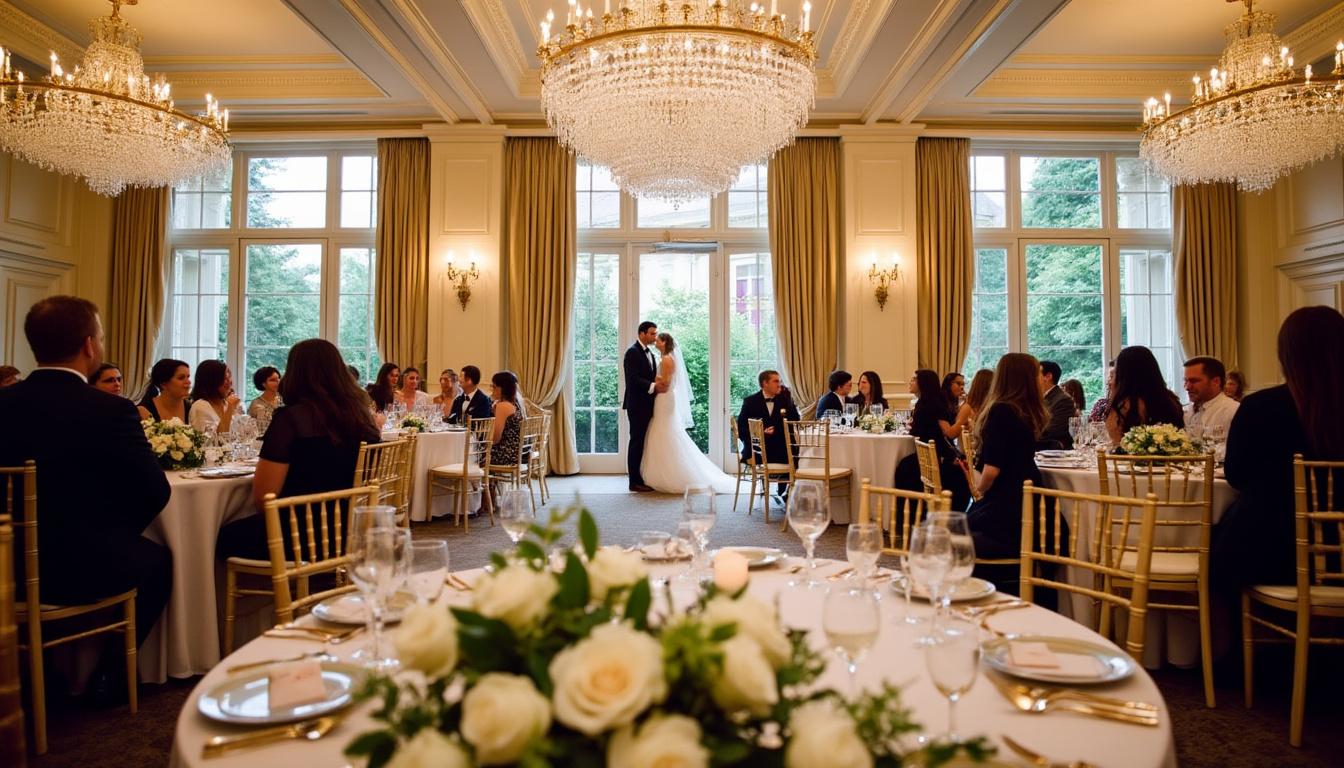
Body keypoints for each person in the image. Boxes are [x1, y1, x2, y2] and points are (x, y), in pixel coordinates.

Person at [0, 297, 171, 659]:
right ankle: (108, 674)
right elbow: (155, 490)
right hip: (78, 565)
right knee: (159, 562)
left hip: (5, 564)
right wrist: (112, 531)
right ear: (89, 345)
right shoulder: (111, 411)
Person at [1212, 306, 1344, 593]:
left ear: (1285, 355)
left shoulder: (1261, 406)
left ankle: (1235, 638)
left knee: (1214, 555)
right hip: (1338, 552)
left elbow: (1235, 474)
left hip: (1273, 550)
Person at [216, 339, 382, 560]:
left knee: (216, 535)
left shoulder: (290, 419)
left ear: (295, 373)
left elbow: (264, 499)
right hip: (350, 529)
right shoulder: (362, 418)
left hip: (299, 536)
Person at [966, 352, 1047, 562]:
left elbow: (991, 472)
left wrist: (978, 487)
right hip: (1024, 502)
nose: (1041, 378)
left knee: (948, 532)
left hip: (1009, 511)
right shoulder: (1023, 411)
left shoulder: (1002, 411)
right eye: (1037, 373)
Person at [638, 332, 736, 494]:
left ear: (664, 343)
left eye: (658, 340)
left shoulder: (667, 359)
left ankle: (671, 473)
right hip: (663, 398)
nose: (655, 342)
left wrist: (652, 381)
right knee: (662, 430)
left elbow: (666, 383)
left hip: (664, 397)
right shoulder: (666, 358)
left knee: (663, 431)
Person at [895, 369, 970, 509]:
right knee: (904, 465)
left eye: (914, 379)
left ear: (923, 383)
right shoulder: (925, 403)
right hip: (933, 454)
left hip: (934, 457)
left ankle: (908, 513)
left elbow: (943, 435)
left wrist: (952, 456)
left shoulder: (932, 405)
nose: (911, 382)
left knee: (903, 467)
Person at [622, 322, 668, 492]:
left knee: (642, 442)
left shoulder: (651, 354)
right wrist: (654, 386)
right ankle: (634, 482)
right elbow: (632, 380)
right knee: (636, 441)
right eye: (652, 334)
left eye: (655, 334)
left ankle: (640, 477)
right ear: (641, 334)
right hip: (637, 405)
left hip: (647, 404)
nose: (655, 337)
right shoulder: (632, 353)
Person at [1105, 346, 1184, 444]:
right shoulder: (1170, 400)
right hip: (1173, 457)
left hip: (1128, 458)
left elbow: (1116, 441)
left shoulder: (1125, 405)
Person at [737, 369, 801, 483]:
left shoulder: (785, 399)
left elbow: (795, 420)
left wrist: (777, 429)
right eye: (776, 381)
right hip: (759, 450)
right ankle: (784, 484)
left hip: (781, 447)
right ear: (765, 383)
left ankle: (785, 490)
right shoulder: (750, 401)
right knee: (791, 456)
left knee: (796, 454)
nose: (779, 384)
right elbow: (742, 428)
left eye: (780, 381)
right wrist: (761, 434)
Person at [1182, 356, 1238, 437]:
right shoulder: (1186, 412)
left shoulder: (1233, 411)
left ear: (1216, 382)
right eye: (1186, 381)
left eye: (1194, 381)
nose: (1187, 387)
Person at [188, 359, 240, 435]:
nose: (230, 381)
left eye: (229, 376)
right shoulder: (201, 406)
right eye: (225, 378)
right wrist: (230, 409)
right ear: (212, 381)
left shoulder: (225, 403)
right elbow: (220, 440)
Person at [486, 371, 524, 467]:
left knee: (472, 453)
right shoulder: (516, 403)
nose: (492, 390)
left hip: (505, 455)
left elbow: (495, 439)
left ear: (503, 388)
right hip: (517, 453)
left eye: (494, 387)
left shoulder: (503, 406)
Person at [137, 358, 191, 423]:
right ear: (164, 384)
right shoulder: (144, 410)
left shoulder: (191, 408)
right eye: (181, 378)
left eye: (188, 377)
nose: (188, 382)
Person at [1038, 360, 1074, 450]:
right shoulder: (1039, 398)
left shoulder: (1063, 400)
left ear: (1048, 376)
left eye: (1035, 375)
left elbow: (1051, 431)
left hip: (1056, 455)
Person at [248, 366, 283, 436]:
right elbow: (250, 429)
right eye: (273, 380)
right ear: (263, 384)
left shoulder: (285, 400)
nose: (278, 381)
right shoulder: (256, 404)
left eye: (279, 378)